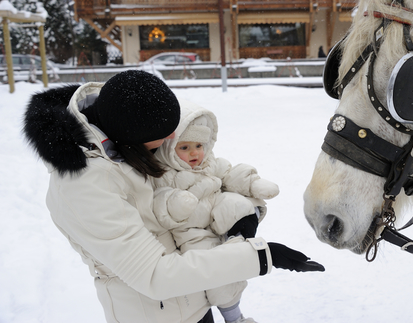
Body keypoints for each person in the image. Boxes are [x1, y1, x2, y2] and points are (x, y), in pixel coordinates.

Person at [23, 70, 324, 323]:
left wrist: (239, 214)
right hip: (156, 314)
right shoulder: (84, 186)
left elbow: (194, 193)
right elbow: (156, 275)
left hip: (194, 298)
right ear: (134, 133)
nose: (171, 138)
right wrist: (260, 255)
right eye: (164, 132)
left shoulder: (121, 144)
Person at [152, 99, 280, 323]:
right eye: (185, 147)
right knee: (217, 276)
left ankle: (239, 240)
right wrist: (176, 202)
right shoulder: (164, 174)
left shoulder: (209, 163)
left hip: (219, 215)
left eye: (199, 146)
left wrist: (252, 184)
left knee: (237, 203)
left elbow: (229, 173)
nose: (195, 153)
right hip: (191, 231)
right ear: (169, 148)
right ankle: (234, 317)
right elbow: (160, 203)